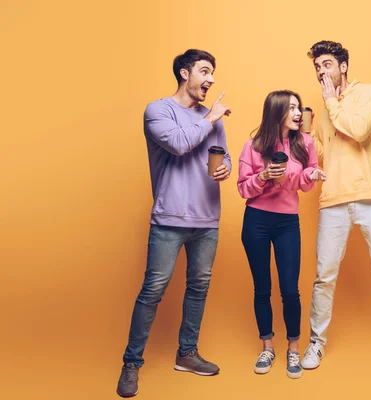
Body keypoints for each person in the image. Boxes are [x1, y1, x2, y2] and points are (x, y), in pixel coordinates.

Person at [117, 49, 232, 398]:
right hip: (169, 217)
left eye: (212, 72)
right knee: (153, 290)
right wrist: (211, 118)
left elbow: (221, 154)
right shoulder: (158, 111)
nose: (210, 79)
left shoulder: (213, 119)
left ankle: (187, 353)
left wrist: (226, 166)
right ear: (185, 73)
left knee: (199, 288)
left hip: (207, 218)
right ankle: (132, 363)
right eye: (204, 71)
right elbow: (180, 144)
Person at [301, 40, 371, 370]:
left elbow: (359, 131)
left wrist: (332, 103)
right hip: (332, 200)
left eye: (327, 64)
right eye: (318, 66)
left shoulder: (367, 93)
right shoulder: (323, 111)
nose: (322, 71)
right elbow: (319, 154)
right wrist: (306, 131)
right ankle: (317, 342)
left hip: (370, 197)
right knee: (324, 276)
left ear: (343, 66)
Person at [238, 90, 325, 379]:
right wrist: (263, 177)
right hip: (257, 220)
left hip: (288, 221)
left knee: (290, 288)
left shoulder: (306, 143)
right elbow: (242, 189)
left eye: (299, 107)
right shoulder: (253, 145)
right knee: (262, 287)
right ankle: (267, 346)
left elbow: (304, 183)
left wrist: (310, 176)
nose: (298, 113)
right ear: (276, 113)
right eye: (291, 108)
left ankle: (292, 348)